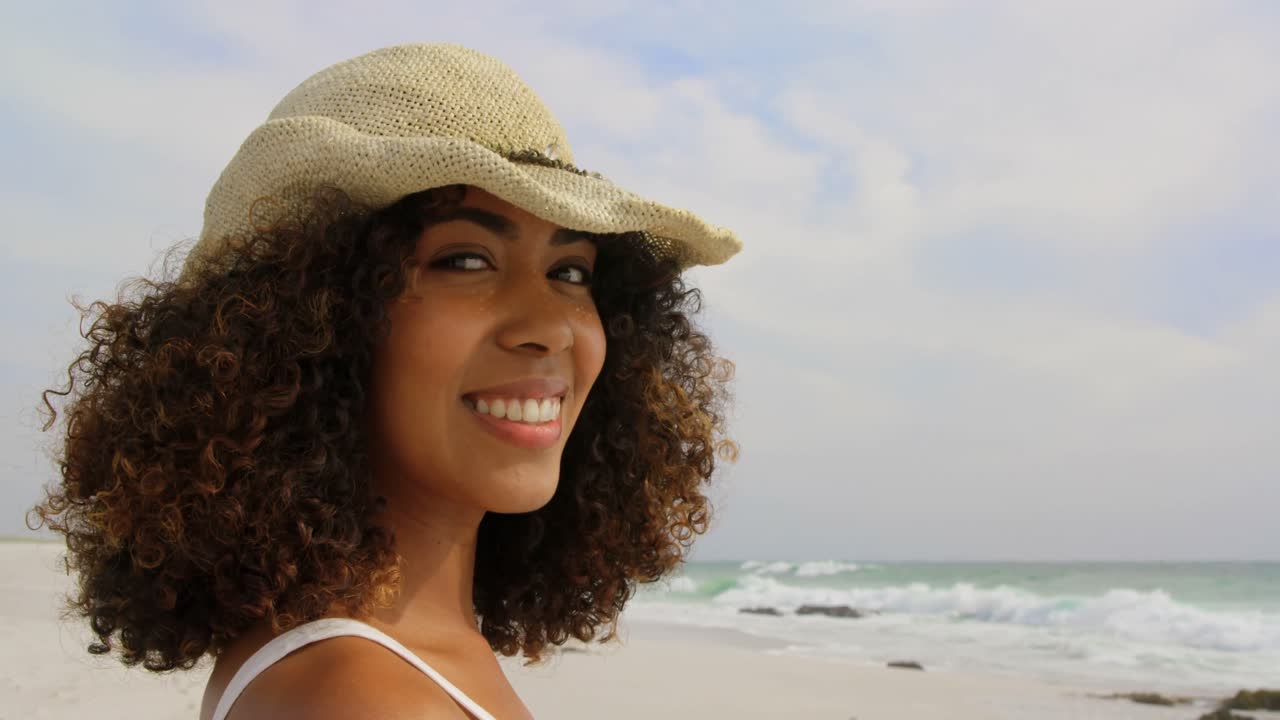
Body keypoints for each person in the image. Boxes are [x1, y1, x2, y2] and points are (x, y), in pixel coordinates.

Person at [30, 43, 741, 719]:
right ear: (316, 317)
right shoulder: (364, 697)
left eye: (571, 272)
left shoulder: (361, 655)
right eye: (466, 261)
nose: (548, 326)